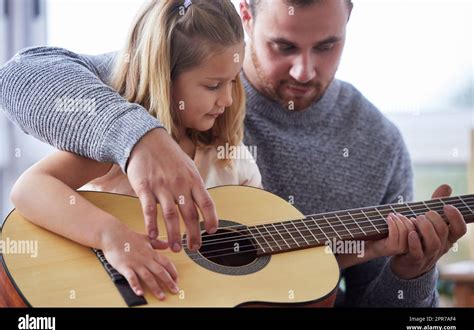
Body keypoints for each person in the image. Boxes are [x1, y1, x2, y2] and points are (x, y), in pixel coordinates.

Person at [0, 0, 467, 306]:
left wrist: (400, 264)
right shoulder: (180, 58)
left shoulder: (370, 144)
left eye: (327, 46)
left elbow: (284, 267)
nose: (304, 70)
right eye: (282, 46)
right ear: (247, 16)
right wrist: (138, 139)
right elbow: (23, 75)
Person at [9, 0, 262, 300]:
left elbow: (256, 244)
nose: (228, 99)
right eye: (212, 86)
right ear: (163, 77)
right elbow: (28, 189)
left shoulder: (232, 160)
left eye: (233, 82)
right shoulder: (121, 150)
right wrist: (109, 236)